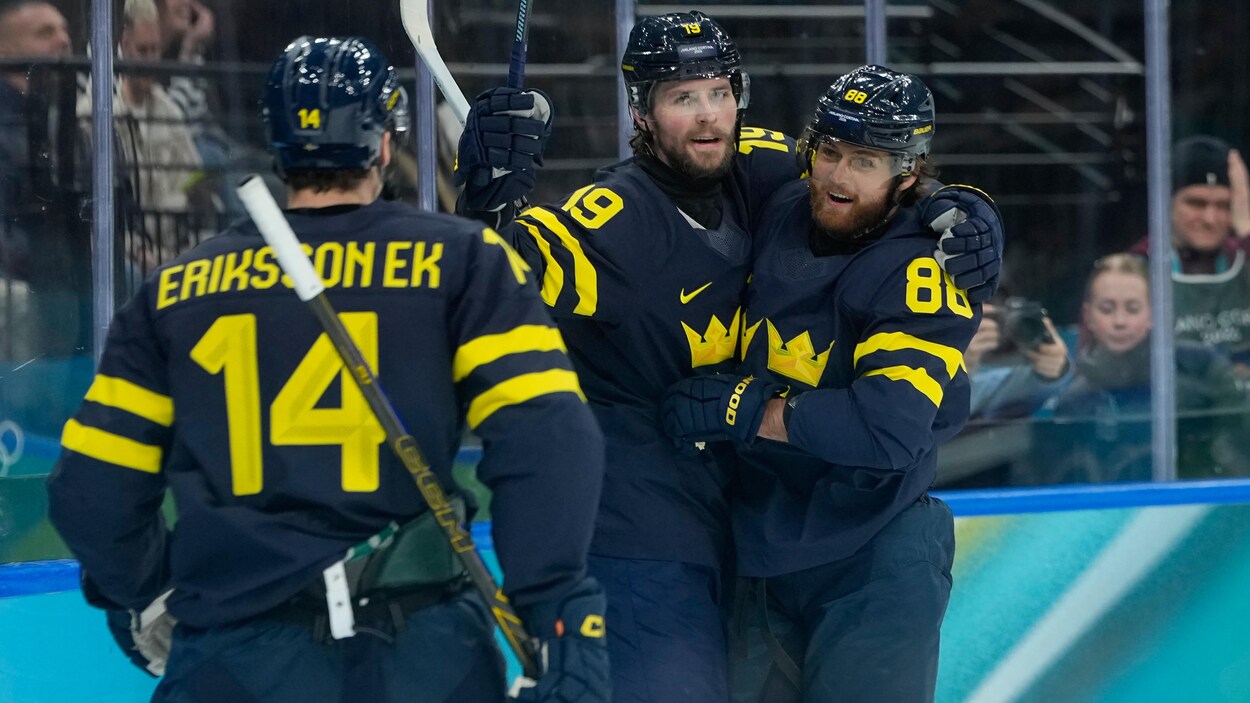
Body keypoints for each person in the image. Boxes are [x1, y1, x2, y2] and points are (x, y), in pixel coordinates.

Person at [454, 12, 1003, 703]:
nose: (709, 116)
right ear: (641, 112)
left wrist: (968, 206)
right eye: (683, 97)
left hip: (804, 537)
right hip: (652, 532)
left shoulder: (770, 171)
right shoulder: (621, 214)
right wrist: (484, 207)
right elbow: (509, 272)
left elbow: (889, 421)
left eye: (719, 91)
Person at [47, 35, 610, 703]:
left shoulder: (174, 290)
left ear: (278, 146)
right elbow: (549, 439)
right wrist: (554, 603)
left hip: (238, 652)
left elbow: (90, 487)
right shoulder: (465, 261)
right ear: (382, 143)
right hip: (422, 651)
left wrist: (144, 586)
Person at [661, 66, 981, 702]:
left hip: (875, 552)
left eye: (865, 162)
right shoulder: (781, 202)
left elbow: (885, 429)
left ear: (909, 174)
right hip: (763, 542)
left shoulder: (922, 267)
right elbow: (693, 149)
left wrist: (746, 411)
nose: (837, 177)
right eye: (830, 152)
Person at [1040, 253, 1250, 483]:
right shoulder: (1075, 401)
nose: (1120, 321)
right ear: (1088, 316)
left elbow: (1239, 447)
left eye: (1132, 309)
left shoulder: (1202, 366)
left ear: (1153, 312)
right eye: (1107, 309)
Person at [1131, 136, 1250, 380]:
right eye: (1196, 203)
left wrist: (1247, 230)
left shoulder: (1244, 260)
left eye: (1224, 206)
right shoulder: (1137, 269)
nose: (1210, 219)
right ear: (1166, 203)